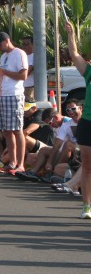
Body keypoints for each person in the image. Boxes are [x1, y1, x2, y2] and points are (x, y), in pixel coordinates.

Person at [65, 20, 91, 219]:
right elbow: (74, 55)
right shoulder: (89, 72)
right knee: (88, 167)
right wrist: (71, 35)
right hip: (88, 123)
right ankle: (87, 206)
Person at [0, 31, 28, 175]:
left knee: (17, 130)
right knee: (6, 131)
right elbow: (4, 72)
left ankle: (21, 164)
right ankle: (11, 162)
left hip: (13, 95)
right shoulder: (3, 56)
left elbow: (23, 75)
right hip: (1, 95)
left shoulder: (19, 54)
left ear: (7, 41)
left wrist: (4, 72)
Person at [21, 36, 35, 102]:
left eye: (26, 44)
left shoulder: (34, 56)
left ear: (33, 45)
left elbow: (27, 72)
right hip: (20, 87)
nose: (24, 46)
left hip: (29, 88)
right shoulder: (21, 56)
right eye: (23, 44)